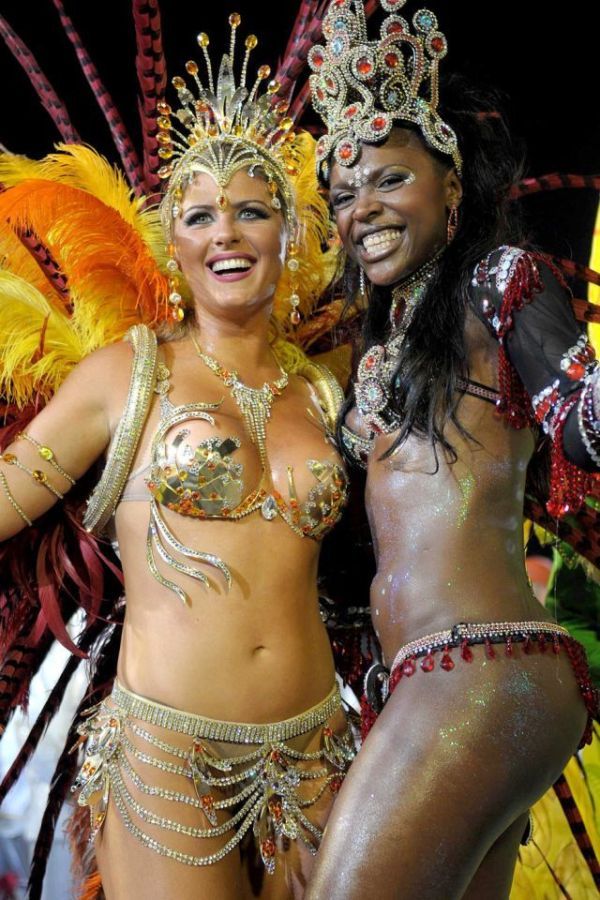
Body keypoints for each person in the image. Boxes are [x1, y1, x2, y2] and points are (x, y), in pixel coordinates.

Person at [0, 15, 355, 900]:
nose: (225, 233)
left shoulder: (327, 390)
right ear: (175, 244)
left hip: (315, 753)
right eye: (200, 215)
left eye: (252, 210)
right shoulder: (129, 373)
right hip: (169, 757)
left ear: (289, 233)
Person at [304, 1, 599, 897]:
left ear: (452, 186)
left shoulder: (498, 278)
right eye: (345, 194)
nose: (365, 211)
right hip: (449, 679)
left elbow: (586, 424)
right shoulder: (382, 336)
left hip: (477, 667)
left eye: (390, 181)